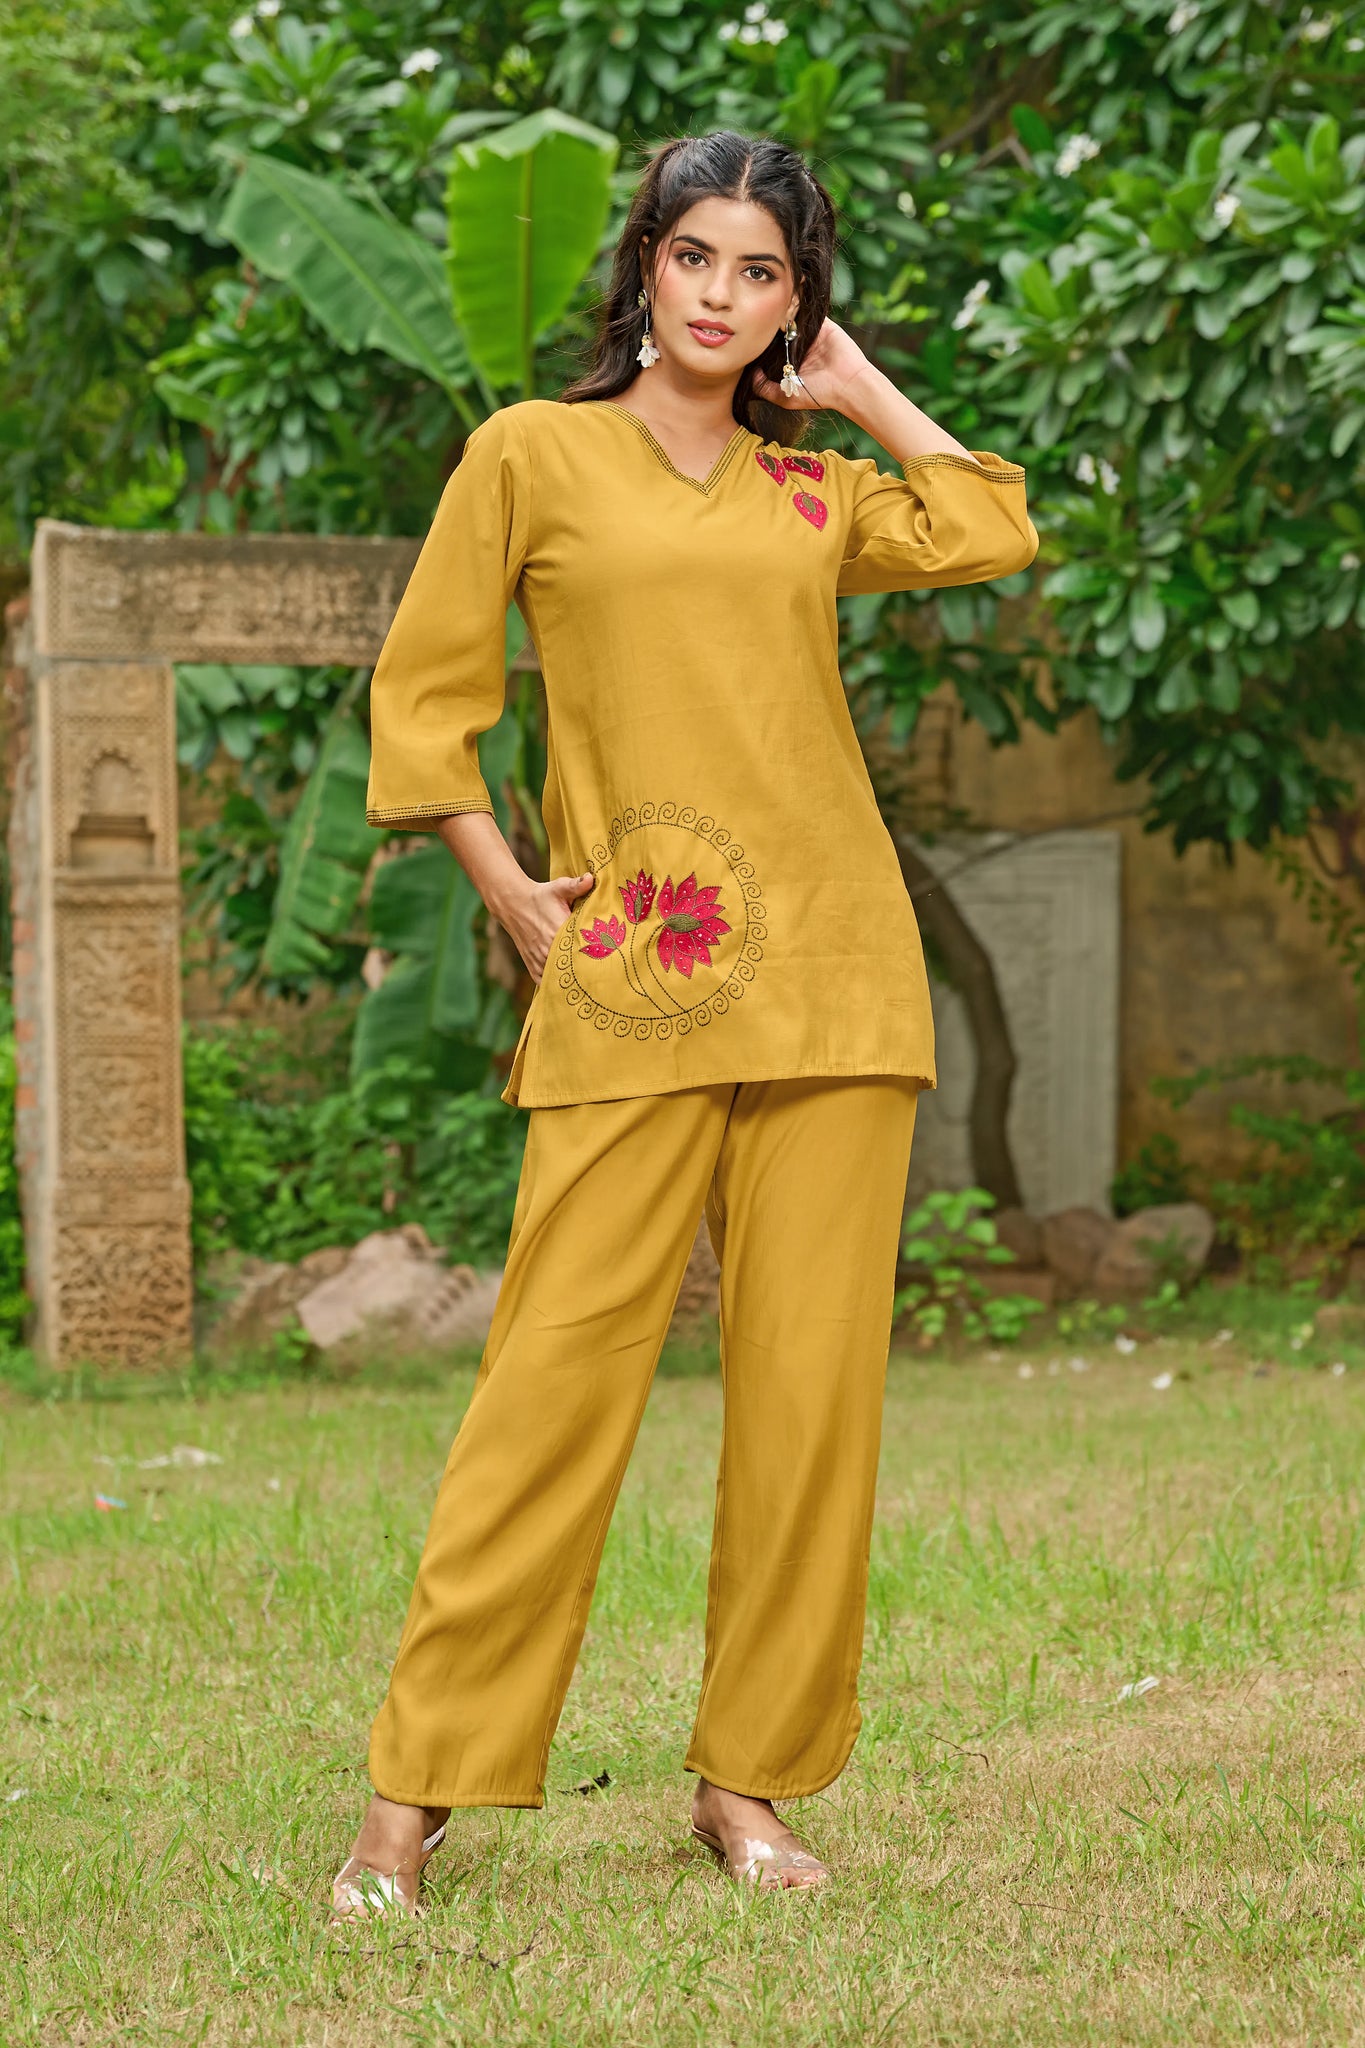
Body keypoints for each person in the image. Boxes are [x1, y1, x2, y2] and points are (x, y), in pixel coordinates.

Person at [330, 127, 1036, 1919]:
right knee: (549, 1387)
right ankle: (410, 1801)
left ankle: (747, 1784)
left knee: (809, 1407)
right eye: (695, 256)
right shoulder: (530, 455)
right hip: (635, 973)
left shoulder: (810, 491)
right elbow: (424, 694)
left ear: (795, 302)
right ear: (643, 265)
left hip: (839, 982)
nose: (722, 296)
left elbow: (986, 523)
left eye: (762, 273)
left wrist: (853, 386)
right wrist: (507, 887)